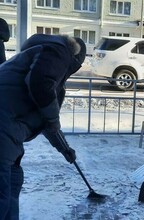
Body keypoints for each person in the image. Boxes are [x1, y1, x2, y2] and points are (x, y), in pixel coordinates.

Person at [0, 34, 86, 219]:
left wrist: (64, 149)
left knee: (14, 180)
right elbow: (40, 86)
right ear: (75, 60)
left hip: (9, 133)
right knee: (2, 198)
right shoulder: (58, 51)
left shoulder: (37, 56)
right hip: (3, 130)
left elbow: (46, 118)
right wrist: (54, 120)